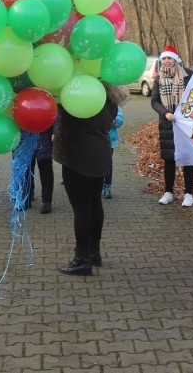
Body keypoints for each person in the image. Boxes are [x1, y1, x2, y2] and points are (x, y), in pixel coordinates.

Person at [54, 82, 128, 275]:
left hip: (79, 155)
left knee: (82, 209)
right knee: (94, 204)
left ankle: (81, 260)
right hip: (100, 152)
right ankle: (93, 253)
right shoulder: (110, 95)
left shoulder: (79, 92)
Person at [151, 45, 193, 207]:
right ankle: (168, 192)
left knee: (187, 158)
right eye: (164, 58)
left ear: (176, 59)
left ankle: (189, 194)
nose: (167, 61)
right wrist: (165, 113)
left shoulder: (188, 75)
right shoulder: (158, 79)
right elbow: (154, 101)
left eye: (169, 58)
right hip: (167, 124)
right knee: (169, 159)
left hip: (185, 123)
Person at [102, 104, 125, 199]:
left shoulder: (113, 102)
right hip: (94, 138)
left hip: (109, 139)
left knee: (107, 163)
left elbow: (120, 118)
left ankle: (107, 185)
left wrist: (115, 121)